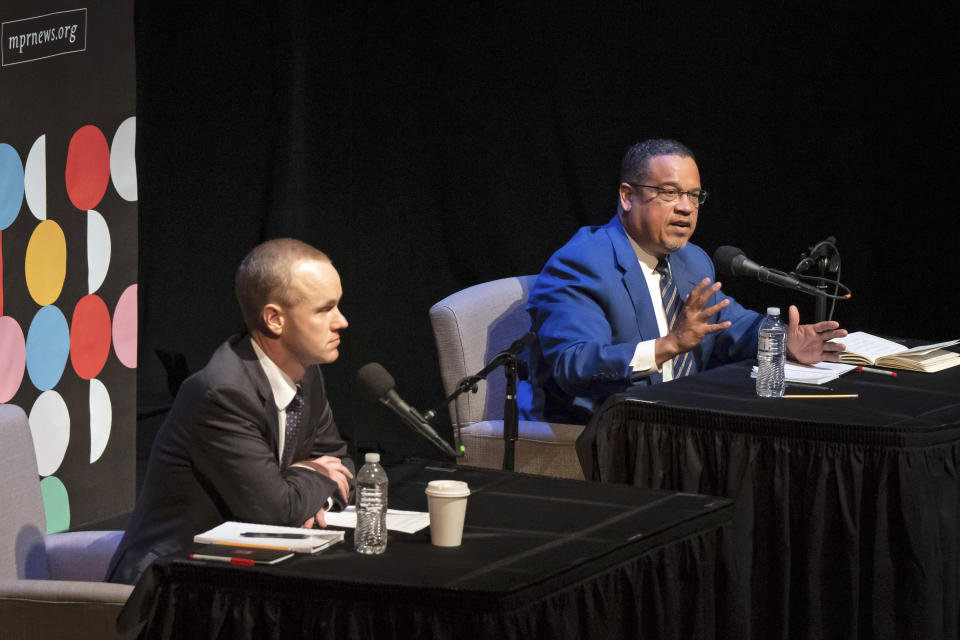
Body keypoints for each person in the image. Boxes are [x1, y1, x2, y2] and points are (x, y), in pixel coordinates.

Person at [522, 139, 847, 424]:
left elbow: (729, 324)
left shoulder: (692, 259)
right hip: (607, 430)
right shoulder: (583, 262)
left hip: (685, 423)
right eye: (669, 193)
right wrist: (669, 345)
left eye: (694, 196)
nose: (686, 208)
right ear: (627, 196)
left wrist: (780, 340)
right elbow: (574, 365)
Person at [107, 238, 355, 585]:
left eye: (338, 306)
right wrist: (312, 479)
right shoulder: (222, 393)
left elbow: (342, 465)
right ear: (274, 319)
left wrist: (307, 496)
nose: (340, 321)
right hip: (172, 587)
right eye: (324, 309)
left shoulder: (307, 372)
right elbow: (274, 513)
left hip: (245, 574)